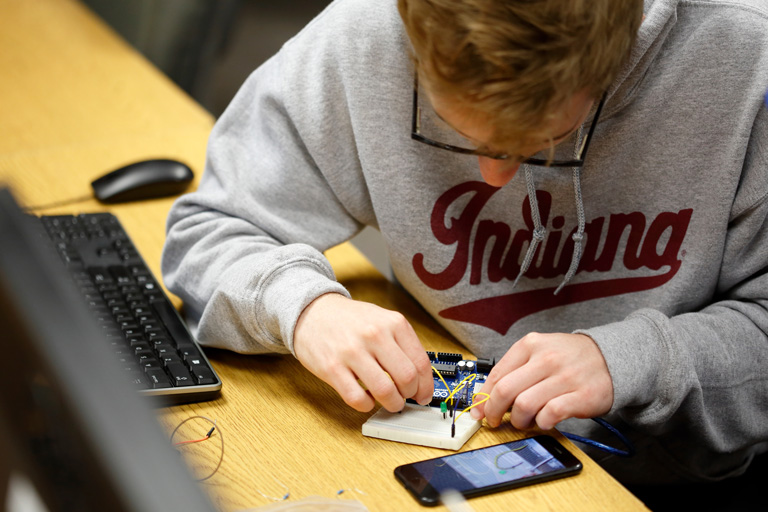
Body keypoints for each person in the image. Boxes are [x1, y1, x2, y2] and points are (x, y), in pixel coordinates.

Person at [161, 0, 768, 485]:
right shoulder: (367, 33)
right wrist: (305, 310)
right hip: (442, 458)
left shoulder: (745, 57)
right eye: (456, 130)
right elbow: (207, 230)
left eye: (541, 140)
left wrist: (637, 361)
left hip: (674, 482)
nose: (493, 180)